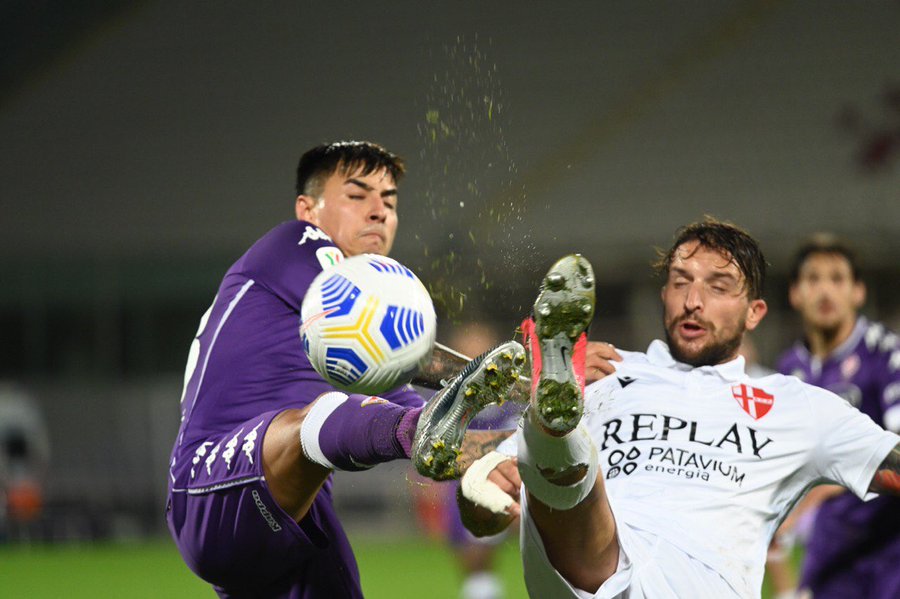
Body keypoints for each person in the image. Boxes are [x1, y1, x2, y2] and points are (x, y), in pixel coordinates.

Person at [445, 218, 900, 598]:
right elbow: (480, 512)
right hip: (583, 565)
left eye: (718, 286)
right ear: (664, 294)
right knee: (562, 441)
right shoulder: (606, 375)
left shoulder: (797, 405)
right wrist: (481, 495)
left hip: (695, 581)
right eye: (680, 282)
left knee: (562, 447)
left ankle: (553, 434)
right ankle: (553, 431)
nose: (693, 301)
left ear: (754, 312)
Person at [166, 141, 527, 599]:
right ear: (307, 209)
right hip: (212, 486)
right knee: (335, 410)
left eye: (390, 200)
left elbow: (417, 428)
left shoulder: (359, 345)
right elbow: (416, 409)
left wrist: (508, 453)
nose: (379, 212)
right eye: (358, 196)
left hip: (295, 516)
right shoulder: (294, 245)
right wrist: (523, 387)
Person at [776, 234, 900, 598]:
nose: (825, 291)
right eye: (813, 279)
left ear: (857, 292)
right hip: (830, 551)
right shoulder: (789, 371)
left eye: (837, 278)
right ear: (795, 294)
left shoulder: (886, 355)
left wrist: (820, 492)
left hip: (889, 550)